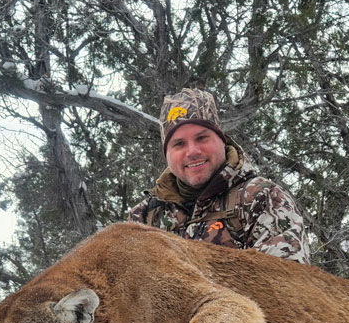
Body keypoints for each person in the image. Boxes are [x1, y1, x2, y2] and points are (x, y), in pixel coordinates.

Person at [128, 88, 309, 262]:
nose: (192, 151)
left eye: (202, 138)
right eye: (179, 144)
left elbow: (285, 285)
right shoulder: (145, 216)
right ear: (166, 154)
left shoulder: (261, 199)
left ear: (222, 139)